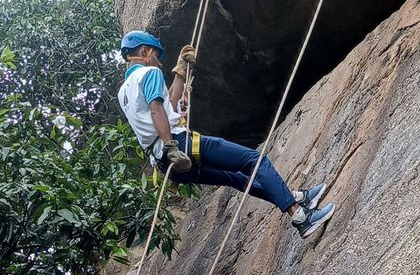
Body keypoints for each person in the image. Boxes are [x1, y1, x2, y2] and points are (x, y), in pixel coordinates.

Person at [118, 30, 335, 238]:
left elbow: (168, 105)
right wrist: (170, 145)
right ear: (145, 52)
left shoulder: (124, 92)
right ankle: (301, 217)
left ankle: (297, 198)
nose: (159, 62)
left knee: (236, 178)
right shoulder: (150, 73)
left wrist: (181, 72)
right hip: (178, 146)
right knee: (256, 161)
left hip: (167, 165)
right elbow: (157, 110)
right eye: (156, 55)